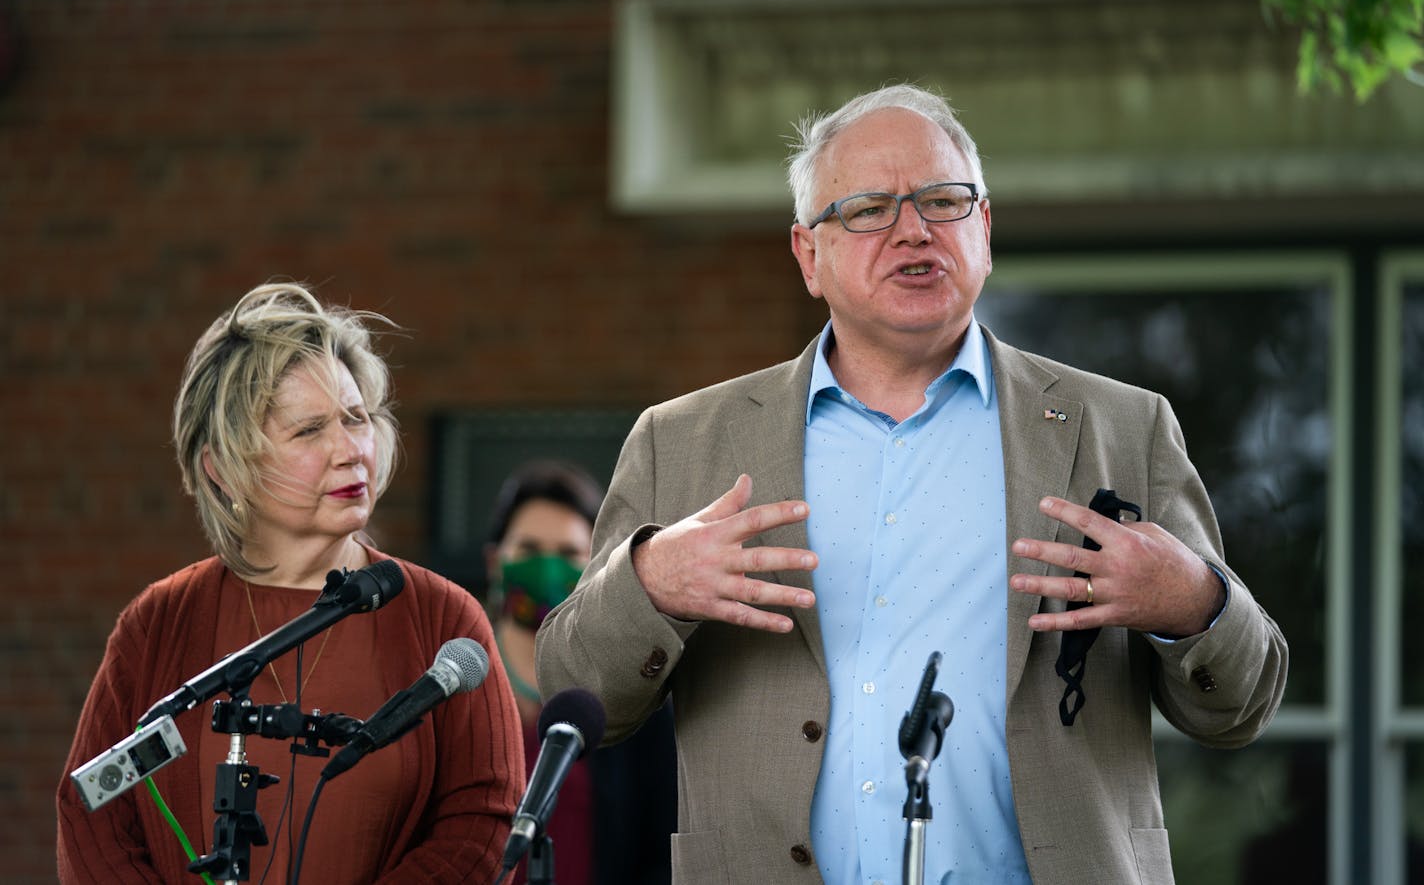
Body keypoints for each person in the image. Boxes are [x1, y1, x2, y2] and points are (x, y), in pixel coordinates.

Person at [535, 83, 1289, 884]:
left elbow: (1240, 705)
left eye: (943, 200)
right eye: (867, 208)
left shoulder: (1122, 429)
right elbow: (575, 690)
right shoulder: (682, 442)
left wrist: (1193, 603)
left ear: (986, 229)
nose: (914, 230)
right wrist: (651, 582)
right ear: (807, 255)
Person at [56, 282, 524, 883]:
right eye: (309, 431)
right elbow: (91, 818)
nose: (350, 449)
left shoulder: (443, 617)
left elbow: (485, 822)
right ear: (223, 468)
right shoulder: (158, 622)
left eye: (356, 419)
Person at [484, 459, 676, 885]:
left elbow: (660, 851)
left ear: (601, 568)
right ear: (495, 560)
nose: (548, 569)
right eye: (529, 551)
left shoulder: (638, 695)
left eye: (569, 554)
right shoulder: (455, 681)